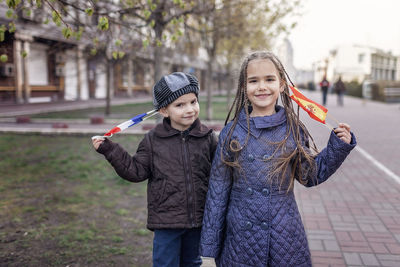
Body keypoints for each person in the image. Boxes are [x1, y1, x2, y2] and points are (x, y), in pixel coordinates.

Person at [199, 51, 356, 266]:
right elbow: (218, 188)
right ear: (244, 87)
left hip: (284, 232)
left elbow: (310, 175)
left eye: (269, 79)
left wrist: (338, 147)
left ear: (282, 85)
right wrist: (210, 244)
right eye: (254, 81)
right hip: (240, 237)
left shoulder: (293, 129)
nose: (262, 86)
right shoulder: (231, 132)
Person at [92, 72, 218, 267]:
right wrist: (110, 150)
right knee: (165, 264)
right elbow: (135, 171)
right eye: (180, 105)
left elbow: (220, 172)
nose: (190, 109)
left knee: (192, 263)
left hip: (198, 219)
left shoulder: (207, 137)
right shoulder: (153, 140)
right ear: (164, 111)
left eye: (193, 102)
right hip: (166, 221)